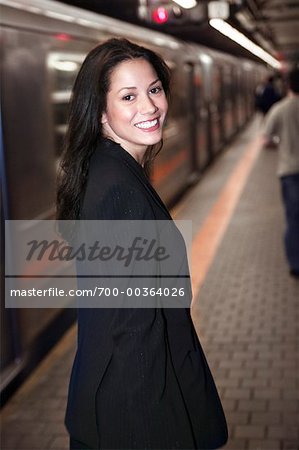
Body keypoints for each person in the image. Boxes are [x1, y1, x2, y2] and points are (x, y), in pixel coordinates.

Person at [56, 38, 228, 449]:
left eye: (154, 89)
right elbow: (133, 328)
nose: (149, 107)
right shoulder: (119, 189)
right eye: (128, 96)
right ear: (99, 111)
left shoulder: (103, 167)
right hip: (134, 413)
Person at [263, 66, 299, 277]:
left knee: (294, 220)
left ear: (288, 85)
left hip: (289, 172)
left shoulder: (280, 109)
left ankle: (296, 265)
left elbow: (266, 140)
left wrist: (280, 142)